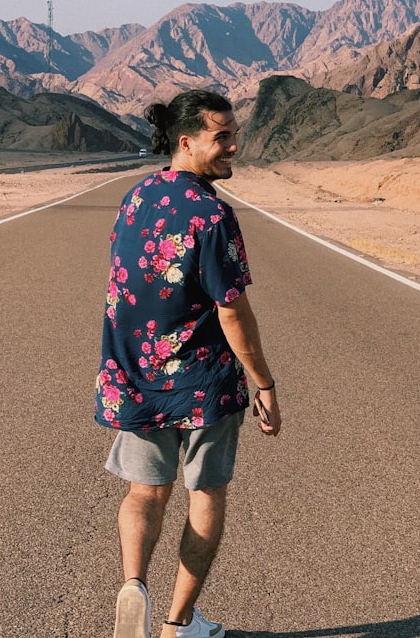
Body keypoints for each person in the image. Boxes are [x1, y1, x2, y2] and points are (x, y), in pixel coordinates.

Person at [95, 89, 281, 638]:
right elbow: (232, 311)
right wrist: (263, 383)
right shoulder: (212, 213)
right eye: (221, 136)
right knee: (205, 494)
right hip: (202, 384)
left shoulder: (135, 198)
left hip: (135, 377)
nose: (233, 146)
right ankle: (178, 625)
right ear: (187, 142)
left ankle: (134, 586)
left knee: (143, 492)